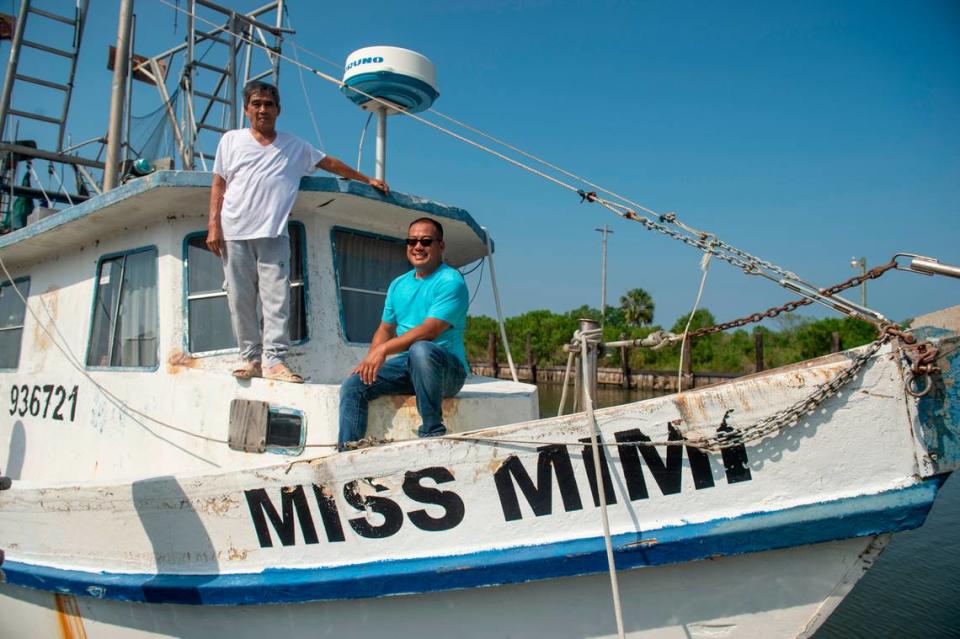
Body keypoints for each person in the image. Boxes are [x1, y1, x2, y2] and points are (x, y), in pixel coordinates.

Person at [206, 81, 388, 382]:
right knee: (240, 298)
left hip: (274, 232)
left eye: (268, 104)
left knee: (276, 298)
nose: (262, 109)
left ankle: (275, 360)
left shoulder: (295, 146)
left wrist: (366, 179)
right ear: (247, 109)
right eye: (256, 103)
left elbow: (329, 162)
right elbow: (218, 183)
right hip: (234, 230)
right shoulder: (230, 141)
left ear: (278, 110)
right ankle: (250, 358)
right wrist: (214, 224)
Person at [338, 217, 469, 449]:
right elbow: (385, 328)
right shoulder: (398, 284)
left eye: (426, 241)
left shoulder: (451, 281)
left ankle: (432, 432)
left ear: (441, 246)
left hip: (446, 371)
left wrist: (384, 349)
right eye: (412, 241)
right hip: (408, 367)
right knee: (353, 385)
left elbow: (430, 330)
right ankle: (347, 451)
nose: (418, 247)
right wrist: (371, 359)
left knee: (421, 349)